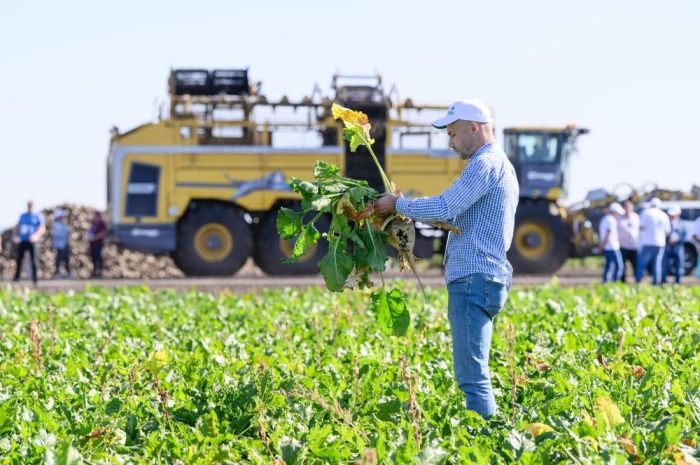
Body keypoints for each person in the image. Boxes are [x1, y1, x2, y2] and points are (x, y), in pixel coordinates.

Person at [374, 99, 519, 418]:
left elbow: (445, 207)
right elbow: (456, 217)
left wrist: (398, 206)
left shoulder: (485, 164)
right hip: (486, 278)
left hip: (473, 279)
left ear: (474, 127)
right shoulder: (498, 165)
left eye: (453, 134)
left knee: (473, 379)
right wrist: (407, 209)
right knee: (476, 374)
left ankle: (488, 445)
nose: (450, 142)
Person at [635, 198, 670, 285]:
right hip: (660, 243)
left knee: (642, 264)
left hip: (647, 242)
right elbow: (668, 231)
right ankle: (655, 284)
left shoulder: (646, 213)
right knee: (657, 264)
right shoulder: (663, 215)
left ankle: (638, 282)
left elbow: (640, 226)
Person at [12, 201, 45, 284]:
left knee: (34, 260)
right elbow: (18, 226)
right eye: (29, 206)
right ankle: (17, 277)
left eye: (31, 206)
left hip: (32, 241)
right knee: (19, 259)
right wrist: (15, 235)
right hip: (23, 240)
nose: (30, 207)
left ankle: (35, 279)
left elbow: (42, 228)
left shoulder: (37, 216)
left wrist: (36, 236)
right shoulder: (23, 216)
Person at [598, 203, 624, 283]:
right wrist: (601, 246)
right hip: (612, 247)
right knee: (619, 267)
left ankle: (606, 283)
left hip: (608, 247)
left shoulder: (606, 219)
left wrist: (602, 246)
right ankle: (615, 283)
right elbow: (608, 234)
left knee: (609, 267)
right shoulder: (611, 220)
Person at [662, 205, 686, 284]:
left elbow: (684, 235)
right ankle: (663, 282)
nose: (672, 216)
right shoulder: (666, 222)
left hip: (678, 247)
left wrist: (677, 240)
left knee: (679, 265)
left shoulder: (682, 223)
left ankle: (678, 282)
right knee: (665, 265)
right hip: (668, 246)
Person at [617, 199, 640, 282]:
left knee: (636, 265)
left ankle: (637, 282)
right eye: (625, 207)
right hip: (623, 246)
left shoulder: (636, 217)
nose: (627, 209)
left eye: (629, 207)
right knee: (622, 266)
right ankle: (622, 282)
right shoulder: (619, 219)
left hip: (634, 246)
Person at [52, 209, 72, 279]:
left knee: (66, 259)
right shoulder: (56, 225)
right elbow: (59, 234)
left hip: (64, 244)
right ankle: (57, 273)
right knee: (59, 259)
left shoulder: (63, 224)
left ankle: (68, 273)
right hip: (60, 245)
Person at [87, 210, 107, 277]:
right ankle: (95, 271)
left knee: (98, 257)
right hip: (92, 243)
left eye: (94, 215)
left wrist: (94, 238)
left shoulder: (101, 223)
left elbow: (102, 233)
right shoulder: (93, 224)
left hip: (98, 243)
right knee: (93, 257)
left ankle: (99, 271)